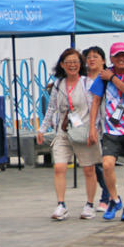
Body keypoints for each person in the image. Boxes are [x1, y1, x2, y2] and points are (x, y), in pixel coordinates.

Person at [37, 48, 100, 220]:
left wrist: (94, 129)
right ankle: (61, 204)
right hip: (64, 131)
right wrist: (42, 129)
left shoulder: (88, 83)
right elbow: (51, 108)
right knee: (59, 167)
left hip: (84, 131)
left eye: (76, 62)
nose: (72, 65)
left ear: (81, 64)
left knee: (88, 169)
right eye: (69, 62)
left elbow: (95, 107)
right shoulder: (58, 84)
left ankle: (89, 204)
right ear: (62, 65)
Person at [89, 42, 124, 221]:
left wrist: (112, 78)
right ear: (111, 59)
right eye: (117, 56)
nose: (121, 59)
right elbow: (96, 101)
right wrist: (92, 127)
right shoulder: (102, 76)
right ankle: (114, 199)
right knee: (107, 164)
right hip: (112, 128)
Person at [83, 46, 113, 211]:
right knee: (91, 164)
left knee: (102, 163)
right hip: (86, 126)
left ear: (103, 60)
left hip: (105, 125)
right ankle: (108, 193)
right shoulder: (82, 79)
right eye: (88, 57)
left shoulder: (107, 78)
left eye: (95, 56)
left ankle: (106, 196)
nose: (91, 60)